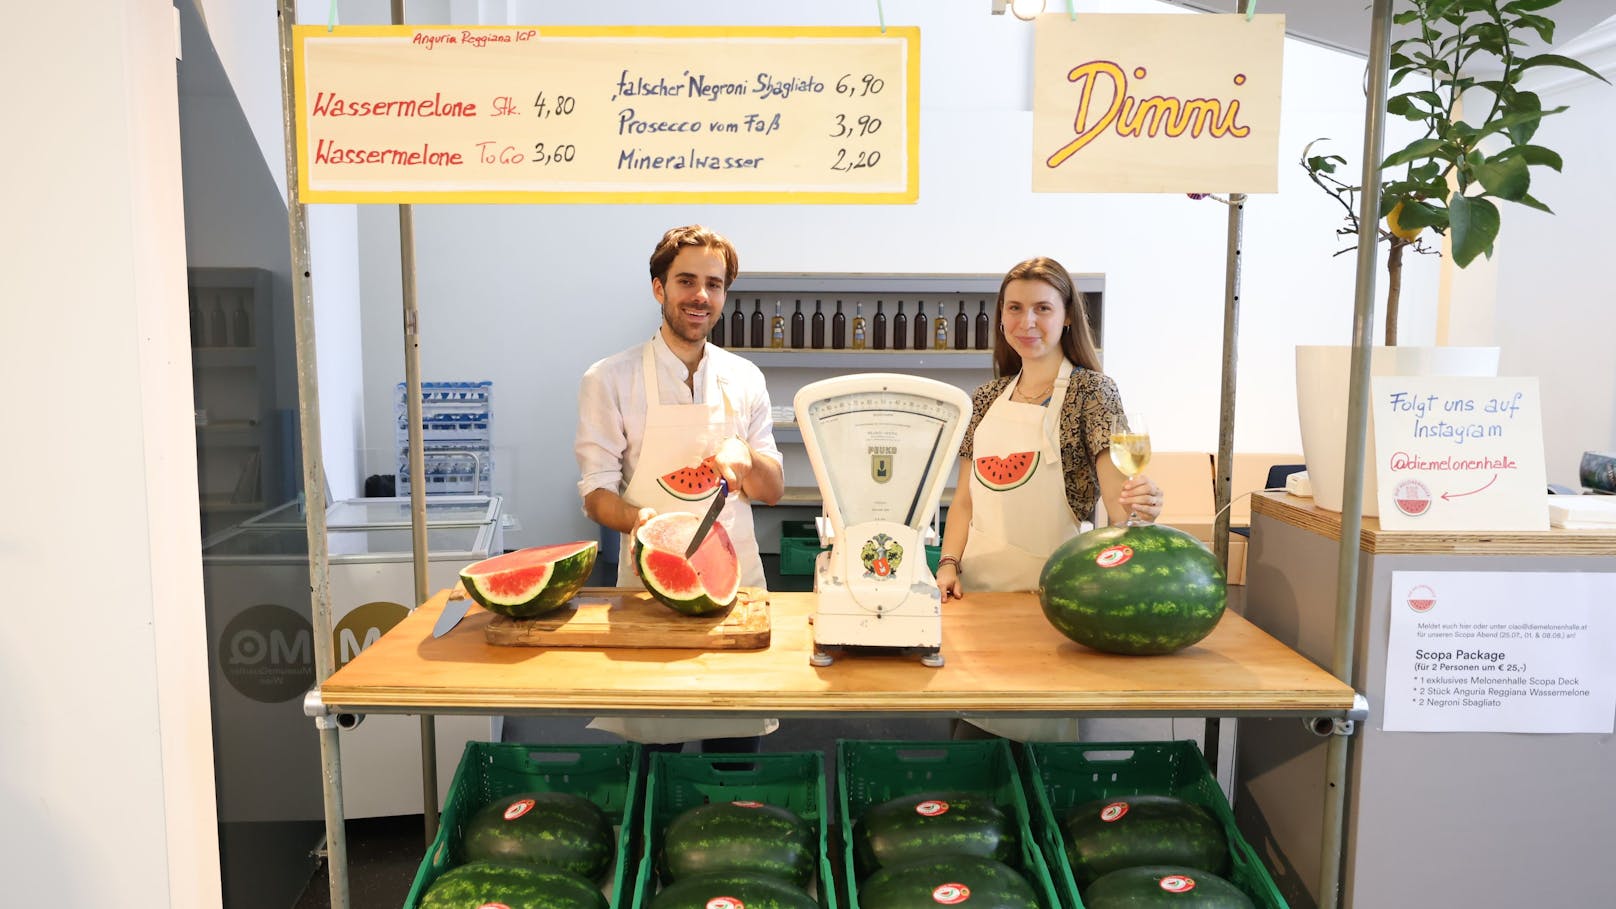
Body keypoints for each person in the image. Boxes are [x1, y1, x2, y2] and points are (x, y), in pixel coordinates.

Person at [574, 224, 785, 752]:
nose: (700, 296)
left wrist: (746, 454)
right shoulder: (609, 378)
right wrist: (645, 524)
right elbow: (596, 492)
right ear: (658, 287)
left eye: (714, 285)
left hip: (735, 582)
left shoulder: (746, 378)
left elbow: (773, 489)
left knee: (735, 750)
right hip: (649, 584)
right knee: (654, 746)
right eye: (686, 281)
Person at [937, 256, 1163, 741]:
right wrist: (948, 564)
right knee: (972, 735)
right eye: (1015, 308)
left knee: (1036, 741)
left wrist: (1143, 505)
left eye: (1042, 308)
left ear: (1066, 317)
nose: (1027, 322)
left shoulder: (1091, 392)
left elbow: (1118, 497)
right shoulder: (983, 399)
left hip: (1052, 598)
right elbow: (965, 502)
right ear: (1001, 317)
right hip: (978, 600)